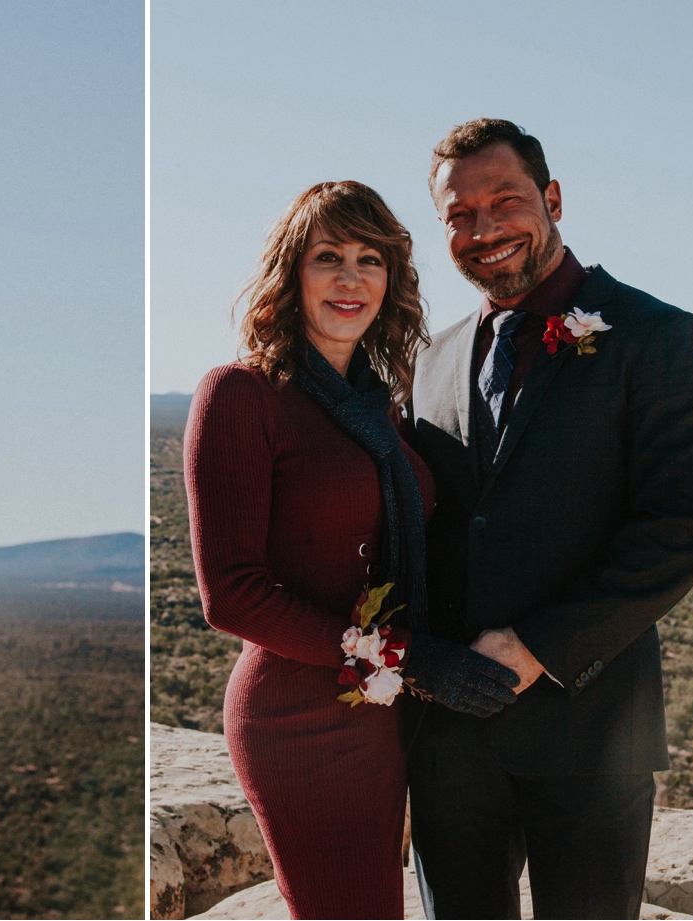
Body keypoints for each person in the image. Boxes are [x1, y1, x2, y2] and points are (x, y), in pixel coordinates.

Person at [405, 119, 693, 919]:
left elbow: (683, 525)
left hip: (592, 738)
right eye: (458, 215)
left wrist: (538, 648)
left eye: (504, 201)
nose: (483, 229)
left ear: (551, 198)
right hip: (448, 744)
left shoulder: (658, 336)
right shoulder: (430, 358)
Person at [185, 181, 521, 918]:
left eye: (371, 258)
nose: (350, 277)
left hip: (387, 720)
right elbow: (231, 594)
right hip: (301, 723)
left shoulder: (382, 407)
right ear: (289, 273)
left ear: (391, 279)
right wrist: (411, 658)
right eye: (327, 256)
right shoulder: (242, 395)